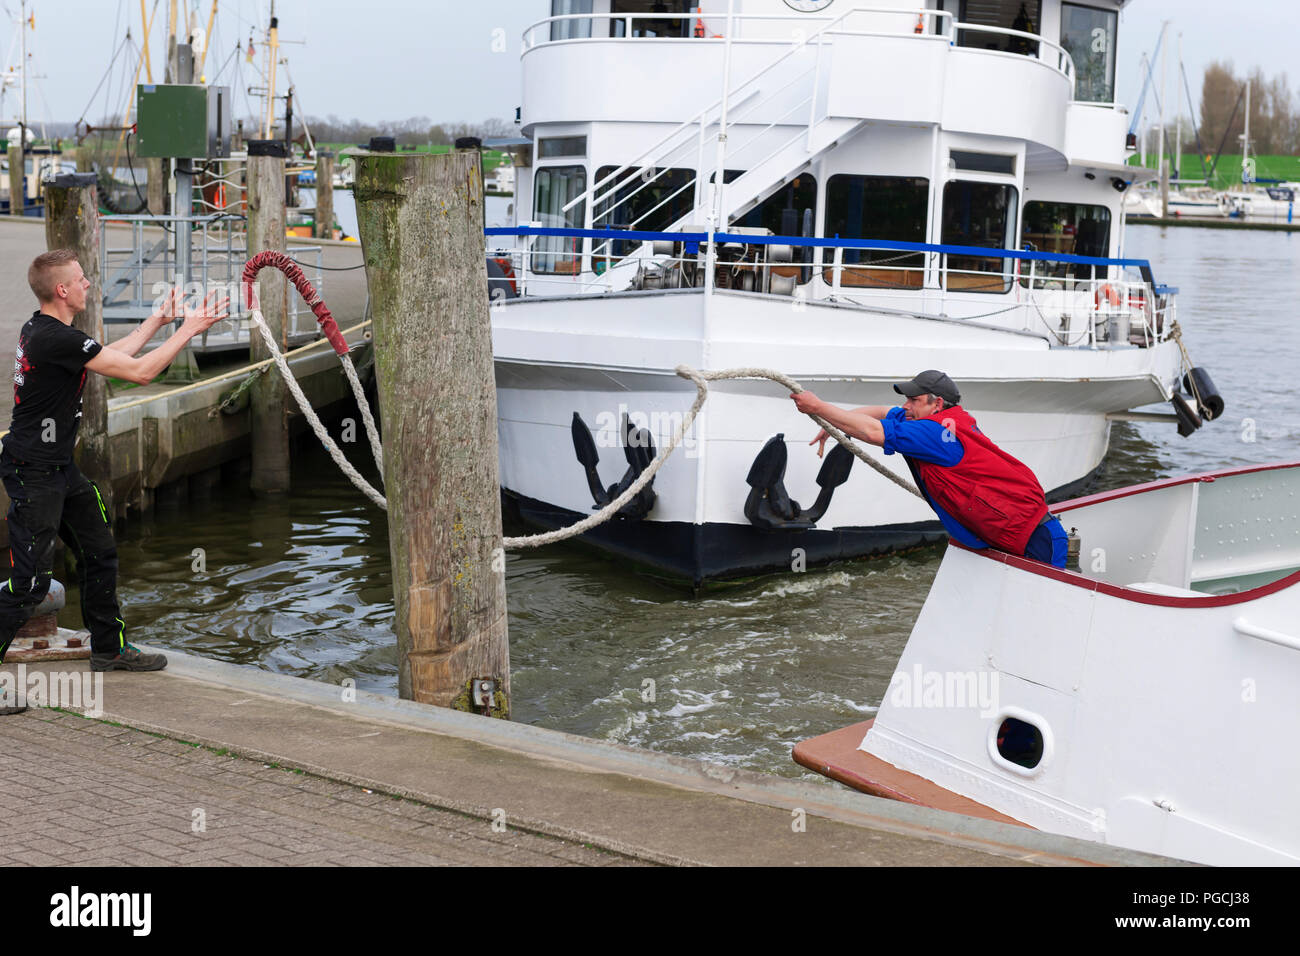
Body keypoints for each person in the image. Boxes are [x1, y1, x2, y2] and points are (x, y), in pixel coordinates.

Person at [0, 249, 228, 714]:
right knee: (28, 584)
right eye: (82, 279)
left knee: (99, 551)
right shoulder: (51, 337)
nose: (89, 285)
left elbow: (111, 357)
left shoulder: (51, 332)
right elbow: (141, 374)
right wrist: (189, 330)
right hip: (33, 472)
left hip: (59, 467)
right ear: (62, 290)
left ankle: (108, 648)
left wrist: (157, 323)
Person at [791, 369, 1068, 568]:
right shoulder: (945, 419)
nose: (906, 406)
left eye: (914, 400)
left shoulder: (937, 433)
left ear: (937, 404)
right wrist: (835, 425)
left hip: (1036, 540)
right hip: (1018, 534)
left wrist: (818, 407)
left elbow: (874, 432)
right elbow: (881, 412)